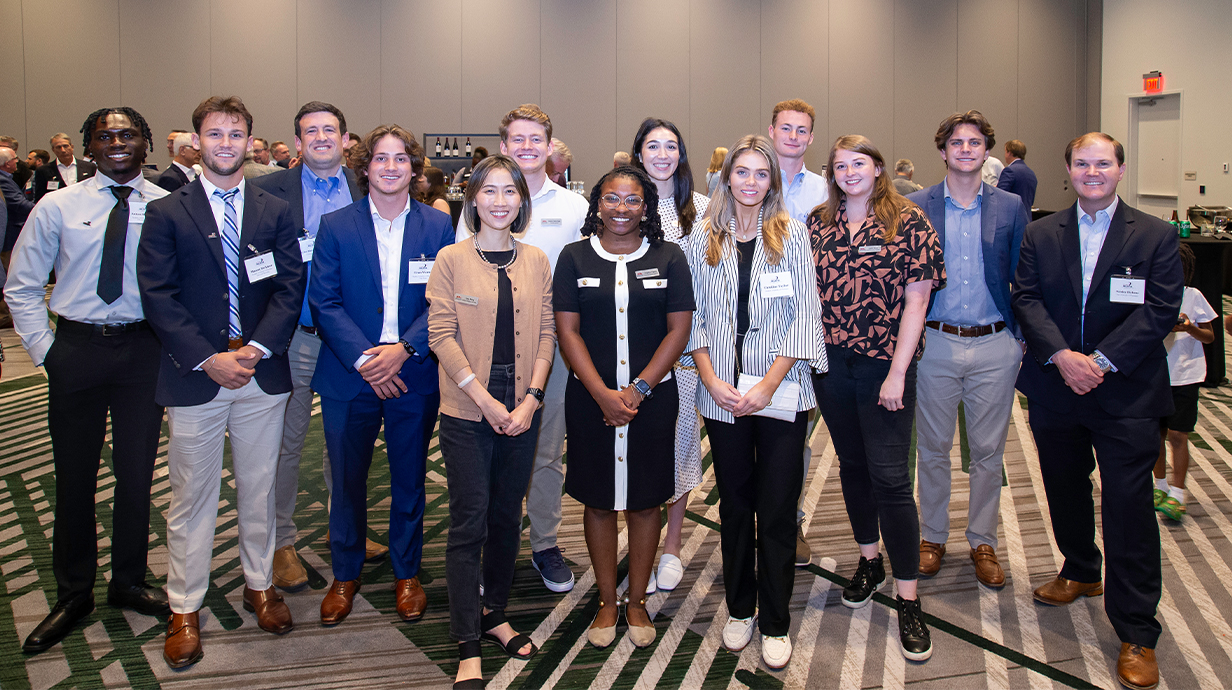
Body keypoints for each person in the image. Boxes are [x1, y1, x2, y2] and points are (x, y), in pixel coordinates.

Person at [138, 95, 306, 669]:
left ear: (251, 142)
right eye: (215, 134)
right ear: (196, 141)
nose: (226, 144)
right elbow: (158, 297)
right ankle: (184, 605)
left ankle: (260, 584)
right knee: (192, 497)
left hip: (261, 374)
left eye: (237, 134)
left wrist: (255, 349)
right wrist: (209, 358)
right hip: (196, 377)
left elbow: (290, 287)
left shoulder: (273, 207)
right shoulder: (166, 211)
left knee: (258, 489)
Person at [1012, 132, 1182, 690]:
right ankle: (1082, 569)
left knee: (1129, 505)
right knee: (1062, 484)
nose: (1092, 171)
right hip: (1056, 385)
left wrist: (1100, 362)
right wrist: (1063, 357)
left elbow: (1159, 309)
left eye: (1102, 163)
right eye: (1082, 163)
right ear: (1068, 170)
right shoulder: (1041, 232)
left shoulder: (1155, 234)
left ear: (1120, 170)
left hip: (1126, 392)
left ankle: (1137, 631)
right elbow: (1027, 298)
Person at [5, 106, 171, 654]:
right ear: (88, 147)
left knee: (136, 474)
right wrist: (46, 351)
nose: (117, 142)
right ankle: (73, 592)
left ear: (146, 144)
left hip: (143, 352)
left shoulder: (169, 208)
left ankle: (128, 580)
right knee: (74, 476)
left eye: (128, 134)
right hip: (74, 349)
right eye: (105, 135)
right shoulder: (57, 205)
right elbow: (23, 286)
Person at [308, 124, 454, 627]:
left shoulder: (438, 228)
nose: (390, 167)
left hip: (413, 373)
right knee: (347, 481)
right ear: (364, 167)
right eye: (380, 159)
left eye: (400, 159)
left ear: (413, 169)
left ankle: (406, 572)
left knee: (410, 479)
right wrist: (368, 360)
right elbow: (323, 302)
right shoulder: (336, 225)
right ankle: (345, 573)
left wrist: (405, 349)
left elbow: (443, 300)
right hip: (350, 377)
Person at [687, 135, 824, 669]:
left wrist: (767, 383)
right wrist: (709, 378)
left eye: (759, 174)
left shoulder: (791, 235)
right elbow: (692, 315)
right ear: (727, 179)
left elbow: (805, 314)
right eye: (740, 172)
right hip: (721, 392)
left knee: (777, 507)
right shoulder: (705, 236)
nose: (749, 182)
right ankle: (741, 609)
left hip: (780, 392)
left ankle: (776, 620)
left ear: (772, 182)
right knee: (737, 505)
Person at [811, 134, 943, 661]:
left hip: (885, 367)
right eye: (840, 165)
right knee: (851, 467)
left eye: (858, 162)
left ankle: (909, 598)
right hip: (830, 366)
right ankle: (870, 560)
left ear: (879, 167)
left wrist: (897, 372)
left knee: (890, 479)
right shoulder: (817, 223)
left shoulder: (907, 221)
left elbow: (917, 302)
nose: (848, 172)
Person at [555, 165, 694, 650]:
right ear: (597, 204)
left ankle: (636, 602)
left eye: (632, 200)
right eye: (611, 199)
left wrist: (636, 390)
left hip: (652, 400)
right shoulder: (574, 258)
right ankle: (607, 602)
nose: (621, 208)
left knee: (643, 499)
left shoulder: (669, 257)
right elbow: (566, 331)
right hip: (590, 398)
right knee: (597, 498)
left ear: (646, 207)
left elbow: (678, 330)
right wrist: (601, 393)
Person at [427, 155, 551, 688]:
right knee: (469, 521)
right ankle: (466, 642)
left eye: (510, 191)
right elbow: (441, 335)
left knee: (506, 517)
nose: (500, 200)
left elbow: (546, 334)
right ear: (472, 198)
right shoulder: (451, 259)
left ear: (521, 200)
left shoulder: (537, 259)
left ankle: (495, 613)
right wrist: (485, 401)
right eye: (490, 191)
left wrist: (530, 400)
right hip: (467, 407)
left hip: (522, 404)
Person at [459, 104, 589, 594]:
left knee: (545, 450)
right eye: (518, 139)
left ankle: (545, 543)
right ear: (504, 144)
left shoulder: (573, 208)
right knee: (484, 453)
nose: (527, 147)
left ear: (550, 145)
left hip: (548, 349)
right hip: (484, 350)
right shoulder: (480, 203)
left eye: (537, 139)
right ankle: (492, 545)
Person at [250, 101, 373, 593]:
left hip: (355, 341)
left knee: (346, 442)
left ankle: (342, 528)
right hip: (295, 338)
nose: (321, 137)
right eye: (310, 131)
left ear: (347, 141)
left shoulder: (370, 185)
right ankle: (282, 540)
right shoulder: (266, 191)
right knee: (287, 442)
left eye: (330, 130)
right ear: (297, 143)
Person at [906, 111, 1029, 588]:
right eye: (956, 142)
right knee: (933, 449)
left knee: (987, 451)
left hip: (995, 343)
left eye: (974, 142)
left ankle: (983, 541)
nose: (965, 149)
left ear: (987, 150)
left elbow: (1023, 274)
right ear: (942, 151)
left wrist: (1019, 336)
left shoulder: (1011, 207)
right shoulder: (916, 205)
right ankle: (932, 537)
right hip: (934, 341)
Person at [631, 117, 709, 592]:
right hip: (631, 352)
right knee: (635, 450)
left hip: (685, 353)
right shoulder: (623, 204)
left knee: (679, 450)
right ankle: (637, 537)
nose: (662, 154)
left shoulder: (701, 210)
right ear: (638, 153)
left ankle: (673, 545)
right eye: (652, 146)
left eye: (671, 146)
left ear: (681, 155)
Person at [768, 98, 829, 566]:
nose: (793, 136)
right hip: (748, 327)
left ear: (811, 137)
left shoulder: (826, 191)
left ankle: (790, 520)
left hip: (805, 326)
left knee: (796, 432)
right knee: (741, 428)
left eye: (801, 130)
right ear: (772, 131)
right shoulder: (749, 178)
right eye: (785, 127)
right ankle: (748, 514)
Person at [1154, 243, 1214, 521]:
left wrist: (1189, 327)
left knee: (1178, 435)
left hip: (1186, 375)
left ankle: (1178, 493)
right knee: (1156, 435)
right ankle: (1159, 485)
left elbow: (1210, 337)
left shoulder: (1194, 296)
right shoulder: (1151, 294)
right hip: (1156, 374)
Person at [33, 133, 97, 201]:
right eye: (58, 147)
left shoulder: (89, 167)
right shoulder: (43, 171)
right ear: (53, 150)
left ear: (72, 147)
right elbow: (40, 199)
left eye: (65, 146)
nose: (63, 150)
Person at [997, 139, 1038, 209]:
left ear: (1009, 153)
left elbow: (999, 196)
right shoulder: (1031, 173)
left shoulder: (1009, 171)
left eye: (1005, 151)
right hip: (1026, 216)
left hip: (1010, 217)